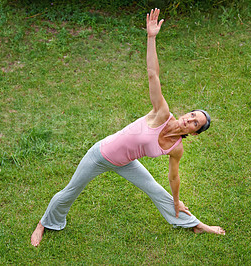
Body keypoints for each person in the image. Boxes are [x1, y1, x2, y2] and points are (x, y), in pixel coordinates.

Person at [31, 8, 225, 247]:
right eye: (192, 114)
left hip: (127, 163)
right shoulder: (162, 113)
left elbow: (173, 177)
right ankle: (44, 223)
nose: (189, 119)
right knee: (70, 191)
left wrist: (176, 201)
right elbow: (153, 75)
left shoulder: (176, 148)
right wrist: (151, 38)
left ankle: (196, 225)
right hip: (101, 155)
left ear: (194, 132)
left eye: (196, 123)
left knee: (157, 191)